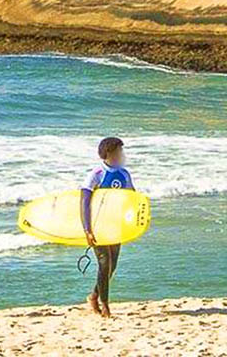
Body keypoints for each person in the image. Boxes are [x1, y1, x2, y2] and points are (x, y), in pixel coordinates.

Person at [81, 136, 134, 318]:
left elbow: (131, 200)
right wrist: (87, 229)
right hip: (98, 225)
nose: (122, 154)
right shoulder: (96, 174)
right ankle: (105, 305)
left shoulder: (124, 174)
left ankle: (94, 296)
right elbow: (85, 203)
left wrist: (131, 225)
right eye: (119, 151)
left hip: (115, 225)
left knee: (112, 266)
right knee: (104, 263)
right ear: (109, 153)